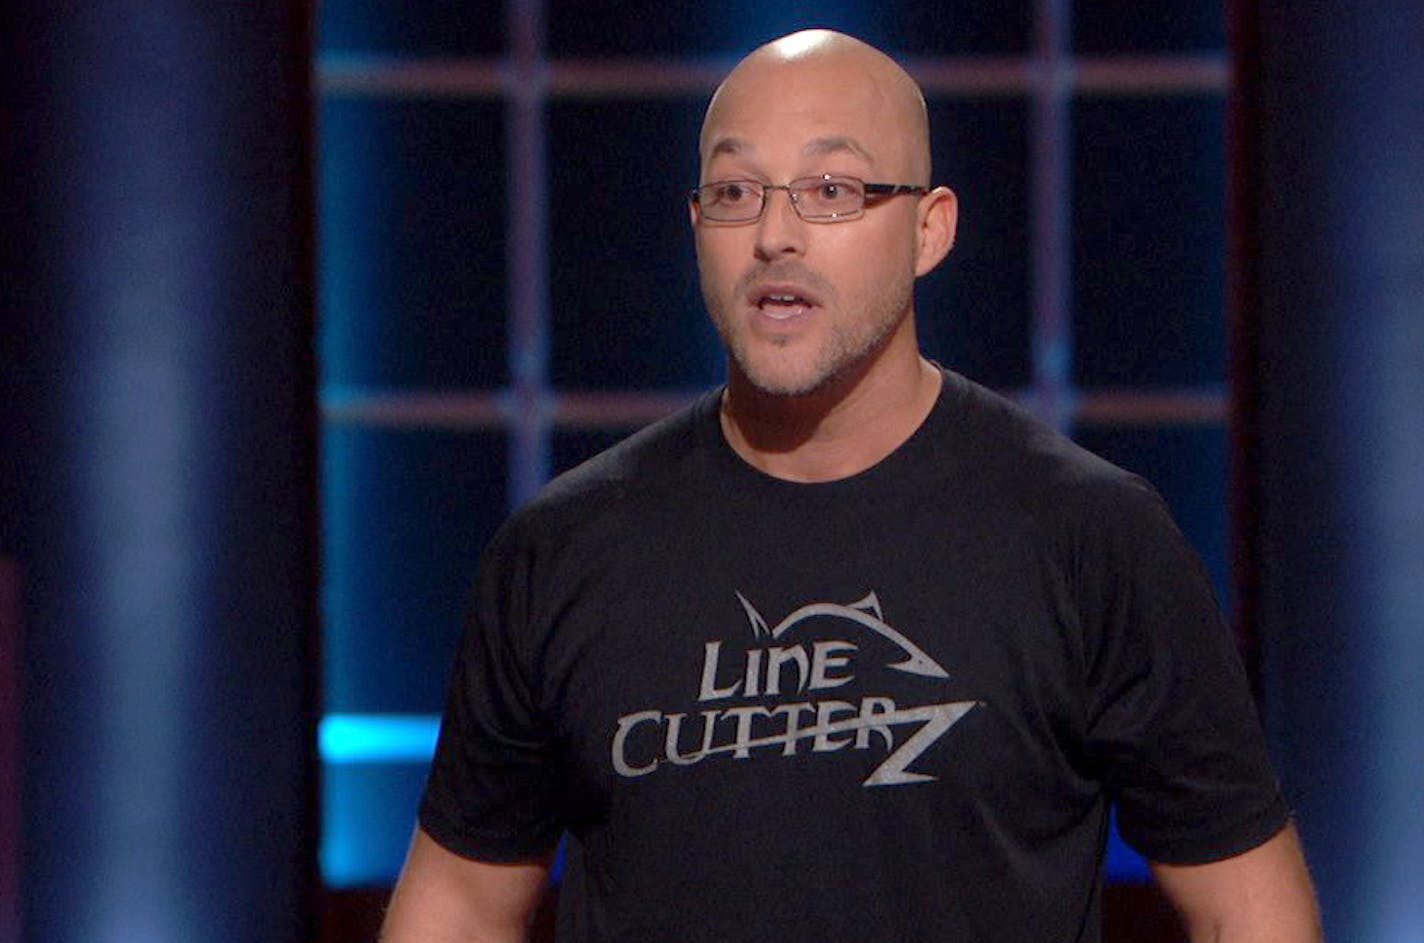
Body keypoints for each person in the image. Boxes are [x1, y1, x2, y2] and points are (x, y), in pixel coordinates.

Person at [379, 29, 1321, 943]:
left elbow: (1247, 904)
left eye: (831, 190)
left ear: (929, 228)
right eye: (737, 191)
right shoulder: (562, 551)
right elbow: (458, 905)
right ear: (697, 225)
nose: (776, 236)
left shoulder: (1089, 536)